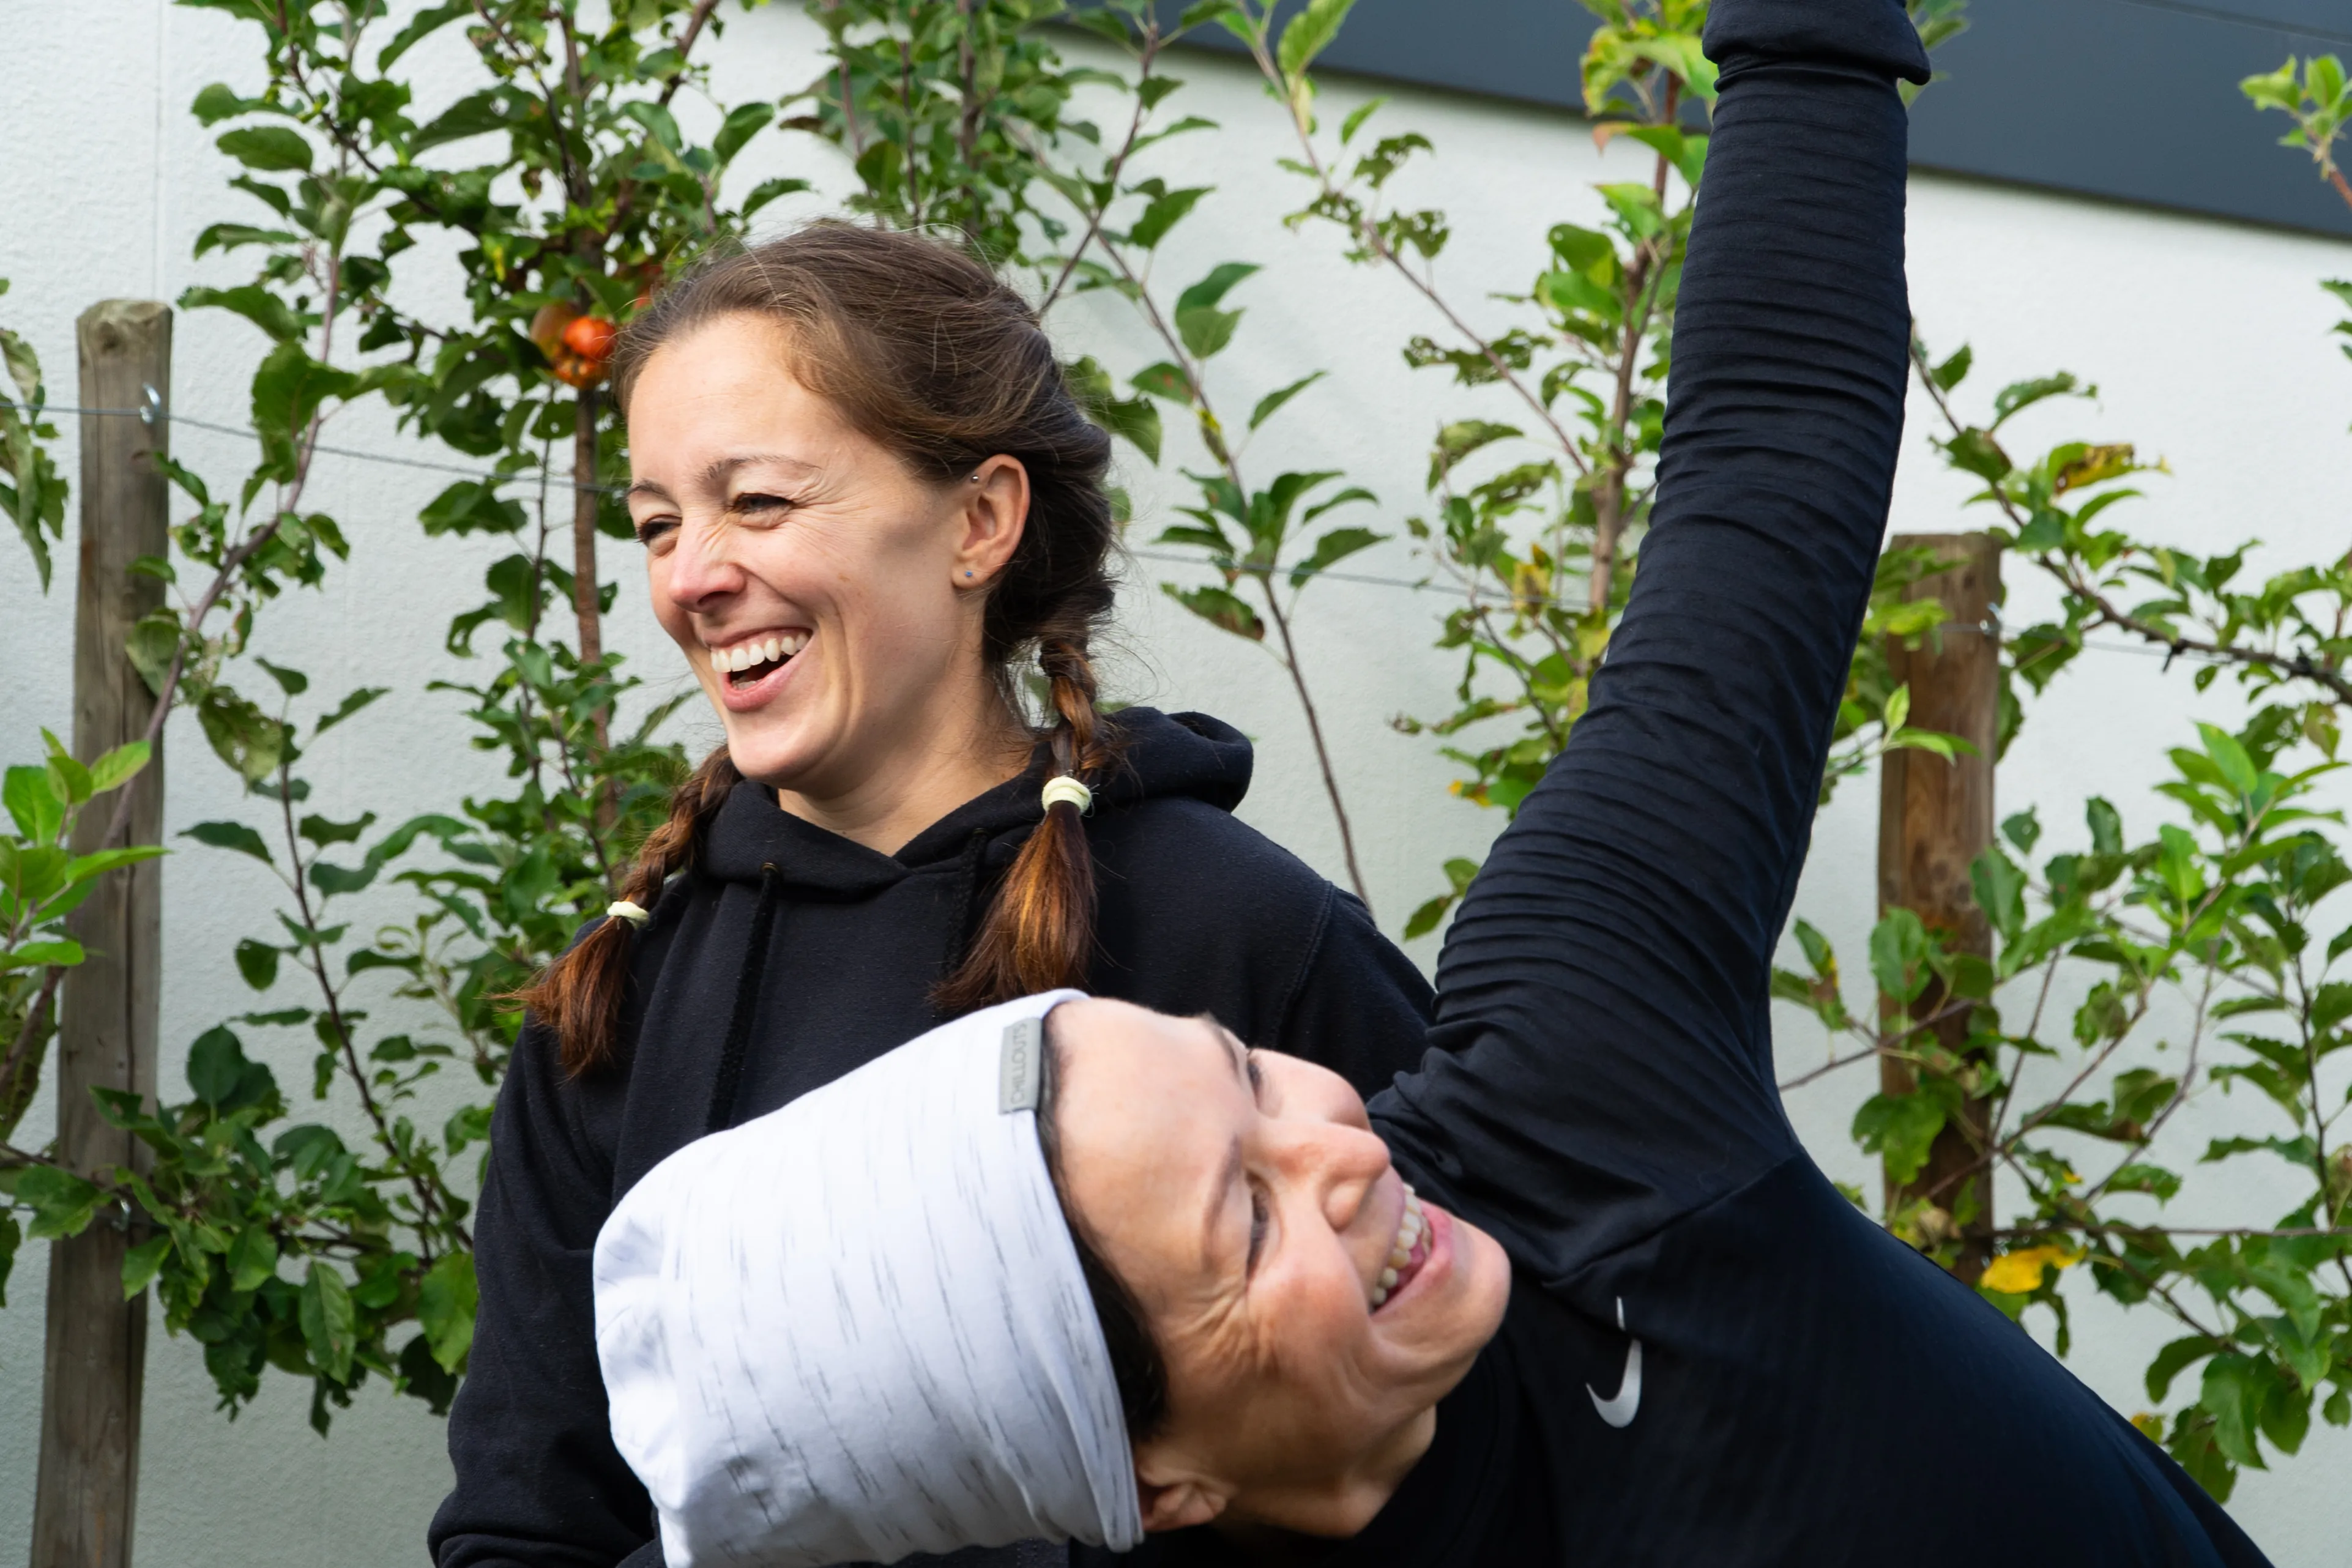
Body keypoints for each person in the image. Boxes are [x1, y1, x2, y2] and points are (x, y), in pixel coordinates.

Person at [589, 2, 2278, 1564]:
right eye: (1244, 1221)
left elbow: (1763, 467)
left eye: (1248, 1075)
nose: (1344, 1151)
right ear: (1159, 1487)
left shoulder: (1569, 1091)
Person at [427, 225, 1436, 1568]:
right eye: (660, 523)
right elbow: (526, 1529)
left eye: (760, 502)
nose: (688, 577)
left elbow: (1459, 1440)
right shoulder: (615, 1009)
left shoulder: (1239, 935)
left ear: (978, 521)